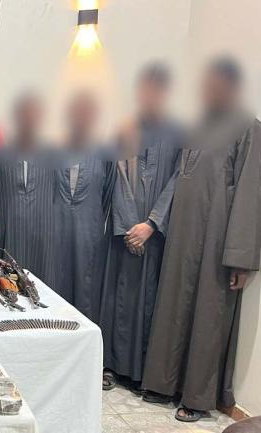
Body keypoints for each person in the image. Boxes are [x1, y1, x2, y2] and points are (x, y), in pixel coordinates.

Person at [141, 58, 261, 423]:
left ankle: (197, 396)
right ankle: (163, 383)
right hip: (183, 234)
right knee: (173, 306)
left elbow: (250, 193)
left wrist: (240, 257)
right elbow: (180, 178)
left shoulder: (248, 128)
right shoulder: (197, 126)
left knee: (209, 315)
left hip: (217, 239)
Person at [99, 64, 183, 391]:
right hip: (123, 234)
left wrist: (151, 224)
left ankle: (139, 373)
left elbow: (177, 180)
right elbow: (117, 177)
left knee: (148, 302)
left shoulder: (178, 133)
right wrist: (129, 228)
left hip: (155, 235)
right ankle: (110, 365)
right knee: (116, 298)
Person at [55, 91, 116, 322]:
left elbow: (108, 191)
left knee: (86, 291)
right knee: (55, 287)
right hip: (56, 231)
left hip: (89, 230)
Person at [0, 92, 61, 289]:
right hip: (7, 236)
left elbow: (59, 194)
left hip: (43, 240)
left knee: (43, 294)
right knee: (8, 292)